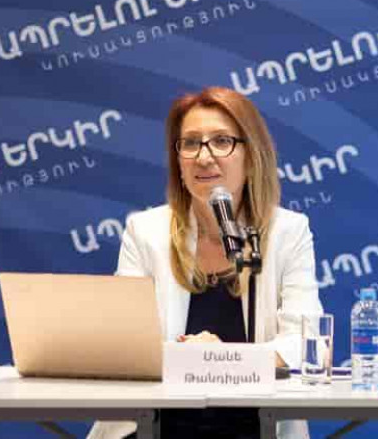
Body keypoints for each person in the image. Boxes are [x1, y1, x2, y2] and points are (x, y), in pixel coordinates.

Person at [88, 87, 322, 439]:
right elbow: (124, 343)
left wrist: (220, 360)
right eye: (191, 143)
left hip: (255, 429)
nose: (204, 156)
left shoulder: (287, 232)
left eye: (222, 141)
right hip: (155, 429)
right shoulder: (146, 231)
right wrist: (191, 357)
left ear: (251, 156)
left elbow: (307, 343)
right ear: (178, 162)